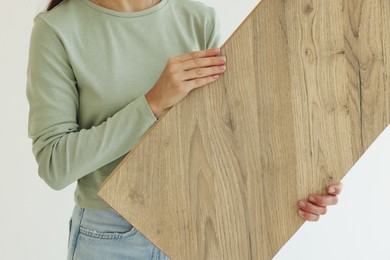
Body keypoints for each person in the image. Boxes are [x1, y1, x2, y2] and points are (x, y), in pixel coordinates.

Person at [26, 0, 342, 259]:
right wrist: (151, 104)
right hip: (112, 236)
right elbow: (55, 164)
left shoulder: (198, 20)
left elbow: (218, 142)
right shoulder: (58, 29)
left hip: (202, 227)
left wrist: (292, 188)